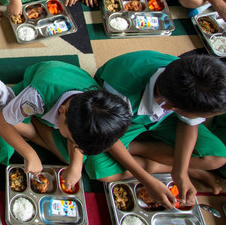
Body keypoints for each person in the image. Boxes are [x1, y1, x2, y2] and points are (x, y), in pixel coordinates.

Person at [86, 51, 226, 207]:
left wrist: (180, 172)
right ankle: (182, 168)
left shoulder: (186, 85)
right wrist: (147, 180)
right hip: (117, 115)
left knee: (217, 158)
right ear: (171, 107)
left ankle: (138, 150)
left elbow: (188, 122)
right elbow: (106, 130)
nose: (203, 119)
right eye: (202, 116)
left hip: (164, 114)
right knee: (101, 171)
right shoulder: (121, 92)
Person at [0, 61, 131, 190]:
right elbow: (0, 121)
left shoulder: (92, 107)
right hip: (38, 85)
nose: (76, 146)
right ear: (62, 112)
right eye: (73, 141)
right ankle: (35, 121)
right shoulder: (35, 97)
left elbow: (78, 140)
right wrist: (30, 154)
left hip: (64, 91)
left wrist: (76, 167)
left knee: (71, 158)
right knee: (3, 112)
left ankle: (41, 129)